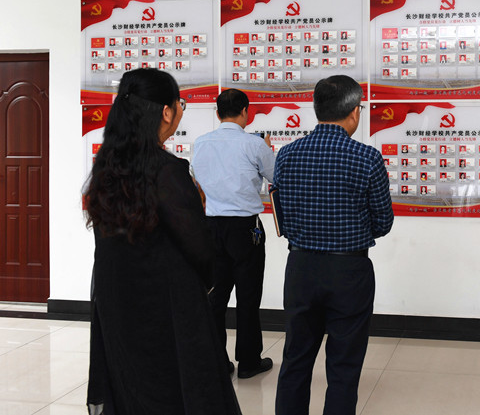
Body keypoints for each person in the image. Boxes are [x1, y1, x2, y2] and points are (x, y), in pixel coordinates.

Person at [84, 69, 241, 415]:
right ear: (166, 112)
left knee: (130, 388)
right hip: (167, 310)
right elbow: (199, 246)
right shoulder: (167, 170)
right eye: (180, 103)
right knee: (177, 392)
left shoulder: (106, 169)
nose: (180, 110)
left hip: (117, 304)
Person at [273, 75, 394, 415]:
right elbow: (383, 222)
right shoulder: (367, 157)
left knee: (295, 359)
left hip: (300, 268)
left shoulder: (287, 155)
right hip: (349, 271)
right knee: (344, 367)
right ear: (354, 112)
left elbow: (283, 214)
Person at [192, 88, 276, 379]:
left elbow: (197, 180)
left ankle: (217, 361)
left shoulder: (201, 143)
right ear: (245, 112)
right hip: (245, 228)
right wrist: (268, 150)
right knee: (248, 296)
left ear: (217, 114)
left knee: (215, 296)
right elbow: (276, 177)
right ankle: (249, 362)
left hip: (211, 227)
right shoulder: (255, 144)